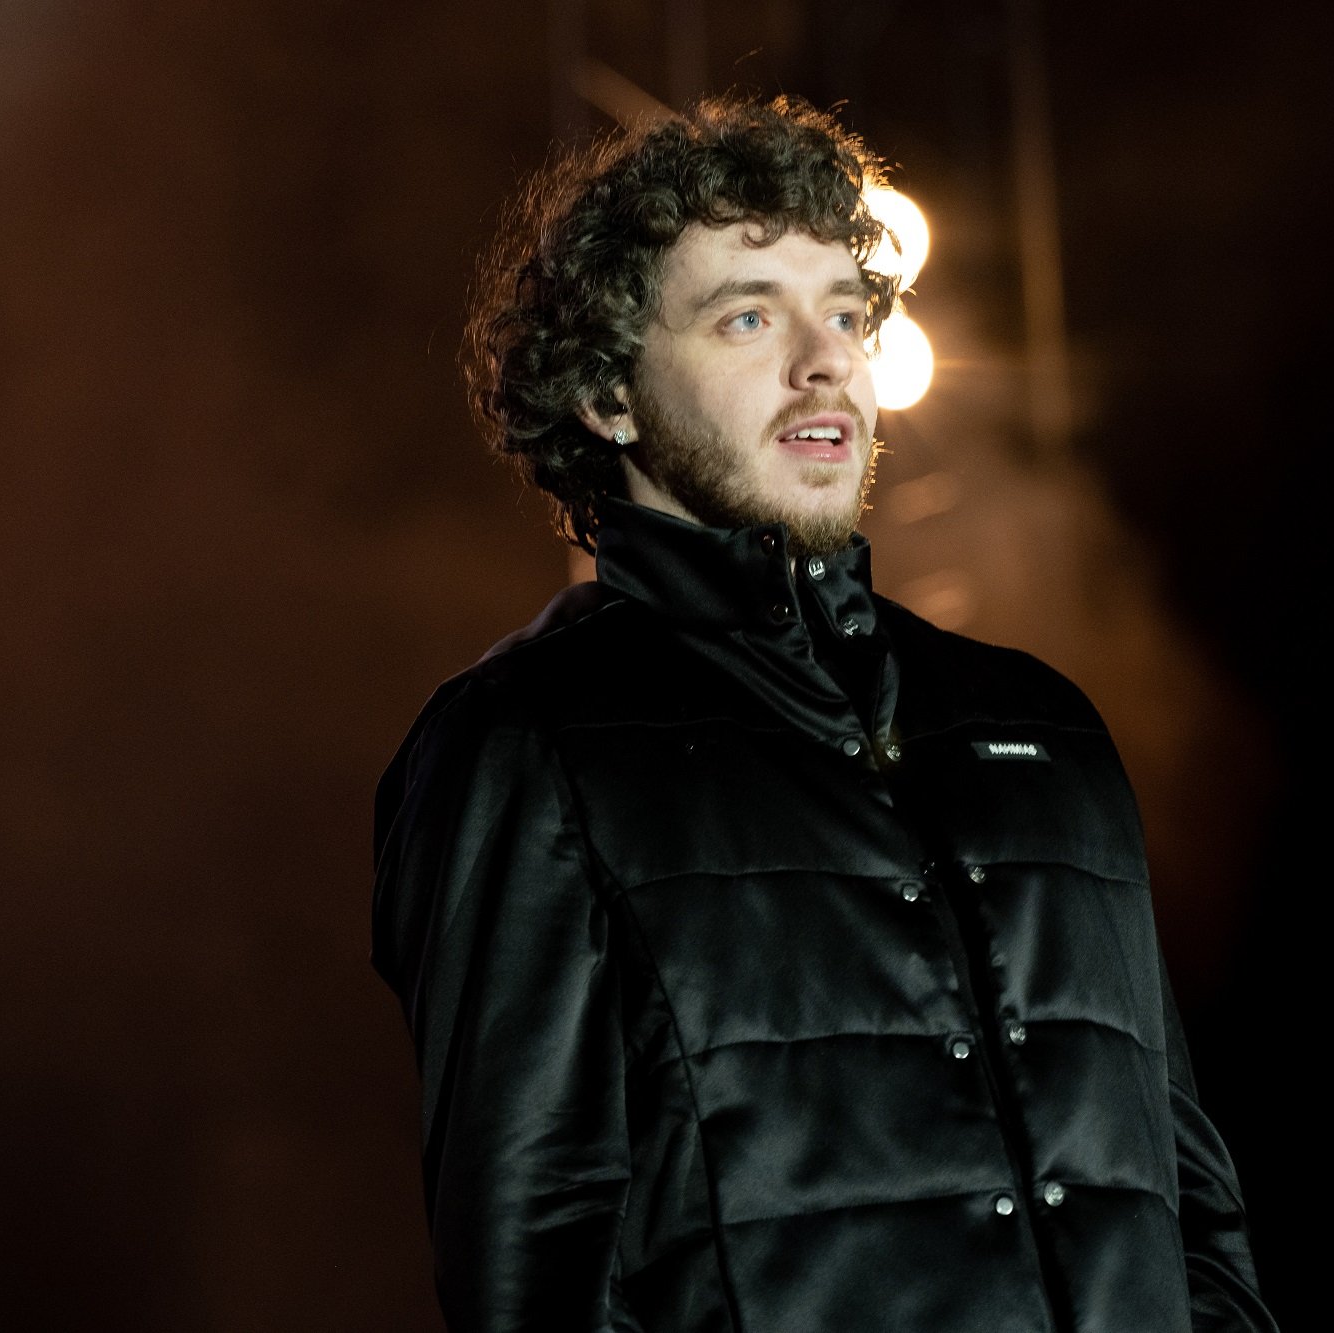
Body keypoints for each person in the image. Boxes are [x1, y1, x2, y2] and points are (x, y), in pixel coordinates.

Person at [372, 94, 1276, 1333]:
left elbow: (1189, 1208)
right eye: (748, 315)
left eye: (845, 313)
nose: (824, 360)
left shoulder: (1042, 723)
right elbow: (533, 1265)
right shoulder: (524, 744)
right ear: (606, 395)